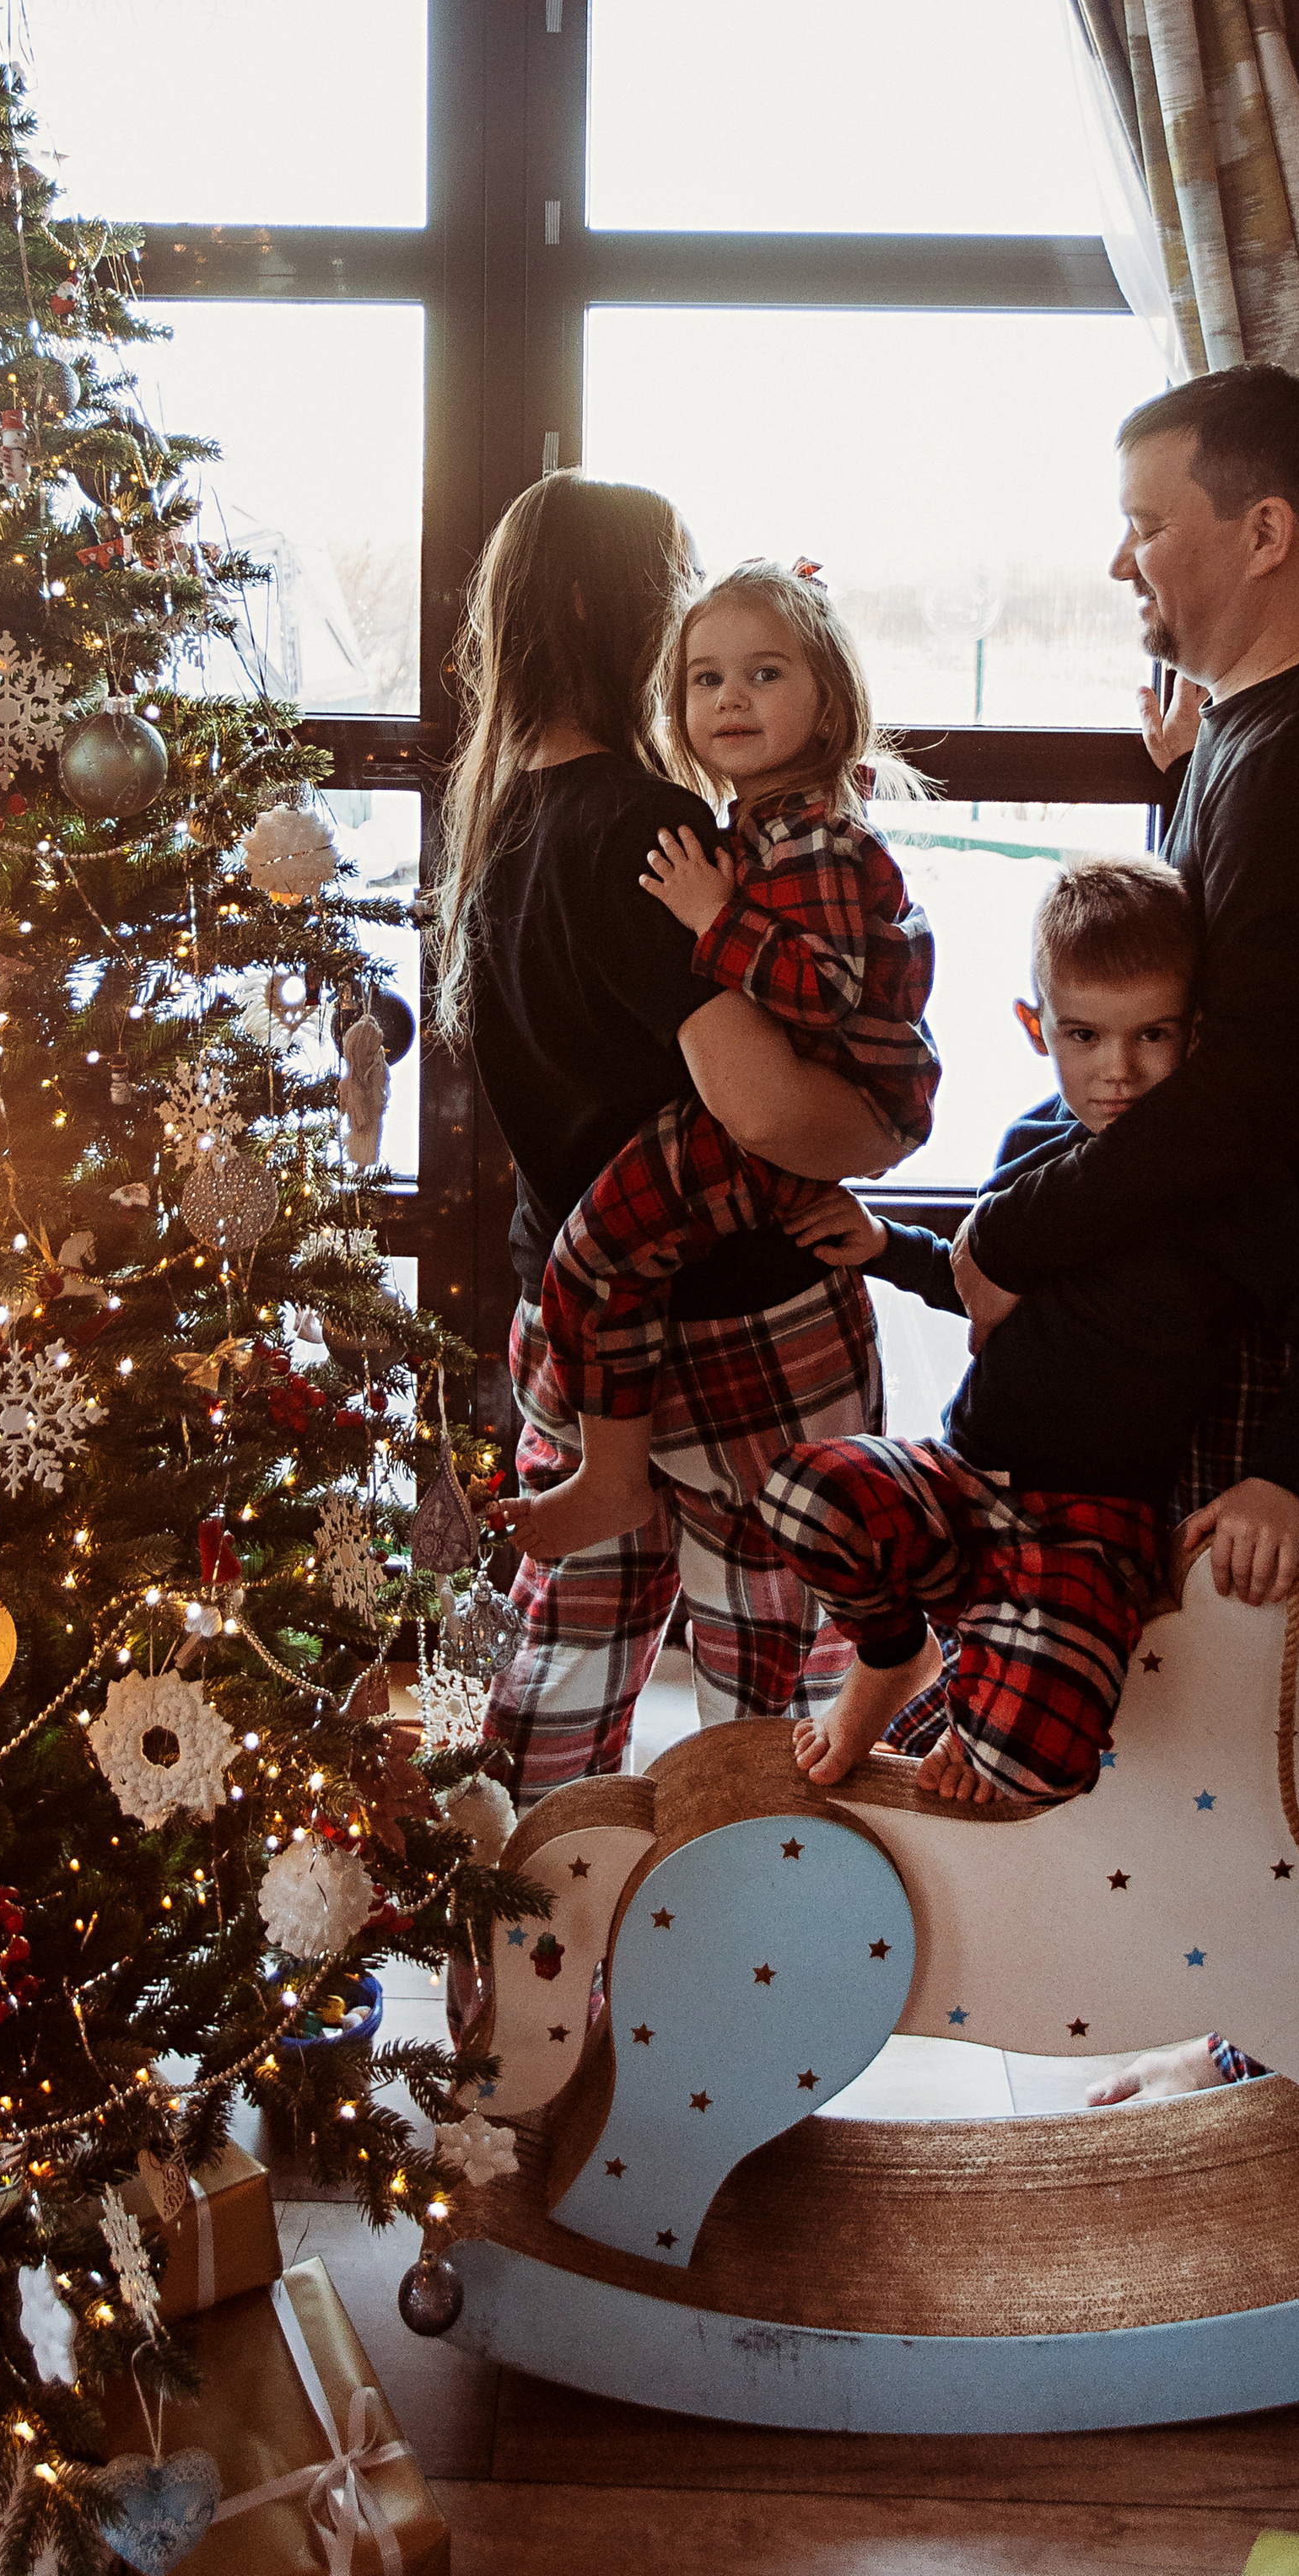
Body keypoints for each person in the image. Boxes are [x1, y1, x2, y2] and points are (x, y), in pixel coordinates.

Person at [948, 363, 1299, 2095]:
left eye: (1143, 524)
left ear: (1258, 531)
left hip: (1283, 1309)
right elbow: (1205, 988)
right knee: (1205, 1696)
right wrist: (1178, 780)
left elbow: (1231, 1104)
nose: (1120, 565)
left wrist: (1012, 1241)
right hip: (1240, 1291)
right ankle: (1240, 2046)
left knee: (1237, 1720)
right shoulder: (1263, 726)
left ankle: (1271, 2080)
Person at [432, 474, 898, 1806]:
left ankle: (521, 1979)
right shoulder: (644, 826)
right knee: (782, 1690)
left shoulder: (501, 820)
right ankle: (740, 1991)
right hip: (738, 1323)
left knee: (559, 1671)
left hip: (572, 1331)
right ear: (600, 607)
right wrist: (875, 1123)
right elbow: (768, 1112)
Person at [743, 858, 1299, 1798]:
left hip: (1089, 1528)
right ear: (1037, 1029)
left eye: (1152, 1035)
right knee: (802, 1490)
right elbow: (984, 1289)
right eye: (1085, 1035)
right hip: (962, 1479)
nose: (1118, 1071)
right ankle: (895, 1657)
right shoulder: (1033, 1146)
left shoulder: (1227, 1183)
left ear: (1196, 1036)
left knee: (1026, 1760)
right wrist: (885, 1245)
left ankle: (982, 1685)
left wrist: (1278, 1480)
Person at [526, 558, 939, 1483]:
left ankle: (608, 1474)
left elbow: (824, 989)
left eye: (765, 673)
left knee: (593, 1252)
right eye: (704, 679)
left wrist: (716, 920)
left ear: (827, 703)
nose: (730, 700)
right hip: (818, 1109)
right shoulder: (760, 824)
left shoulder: (807, 838)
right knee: (604, 1246)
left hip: (830, 1101)